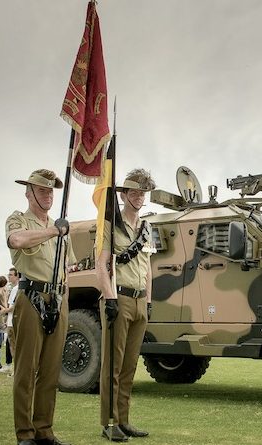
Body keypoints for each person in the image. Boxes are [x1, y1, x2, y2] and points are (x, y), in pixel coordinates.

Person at [7, 169, 75, 445]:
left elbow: (67, 265)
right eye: (42, 190)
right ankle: (25, 433)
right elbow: (17, 241)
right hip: (31, 296)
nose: (48, 196)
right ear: (29, 192)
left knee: (50, 369)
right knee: (26, 368)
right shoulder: (19, 219)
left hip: (57, 298)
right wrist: (52, 231)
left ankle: (44, 428)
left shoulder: (60, 226)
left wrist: (64, 293)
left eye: (51, 191)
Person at [97, 169, 156, 442]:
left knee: (130, 365)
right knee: (114, 365)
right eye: (134, 193)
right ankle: (109, 423)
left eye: (142, 193)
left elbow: (148, 268)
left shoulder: (146, 228)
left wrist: (149, 301)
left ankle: (124, 419)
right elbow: (102, 264)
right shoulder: (110, 224)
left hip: (139, 299)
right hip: (118, 297)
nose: (139, 198)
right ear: (123, 195)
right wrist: (109, 297)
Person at [0, 267, 20, 374]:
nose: (9, 276)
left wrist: (4, 311)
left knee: (13, 346)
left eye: (11, 274)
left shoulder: (16, 289)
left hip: (12, 322)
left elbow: (13, 306)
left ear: (17, 276)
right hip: (16, 321)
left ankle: (16, 370)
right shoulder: (18, 288)